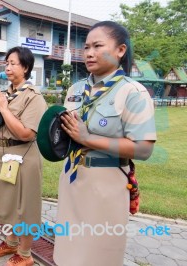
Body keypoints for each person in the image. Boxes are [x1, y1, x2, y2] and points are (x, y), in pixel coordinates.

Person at [53, 21, 157, 266]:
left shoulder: (133, 93)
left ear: (120, 50)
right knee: (67, 251)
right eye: (86, 46)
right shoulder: (75, 90)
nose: (89, 52)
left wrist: (88, 138)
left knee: (99, 255)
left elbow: (143, 149)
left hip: (107, 184)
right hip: (72, 180)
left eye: (98, 46)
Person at [0, 47, 47, 266]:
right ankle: (11, 242)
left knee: (26, 205)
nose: (8, 67)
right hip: (5, 155)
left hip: (24, 156)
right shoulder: (7, 94)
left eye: (13, 63)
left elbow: (25, 133)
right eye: (7, 63)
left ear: (26, 67)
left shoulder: (34, 97)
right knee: (10, 202)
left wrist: (3, 109)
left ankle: (25, 253)